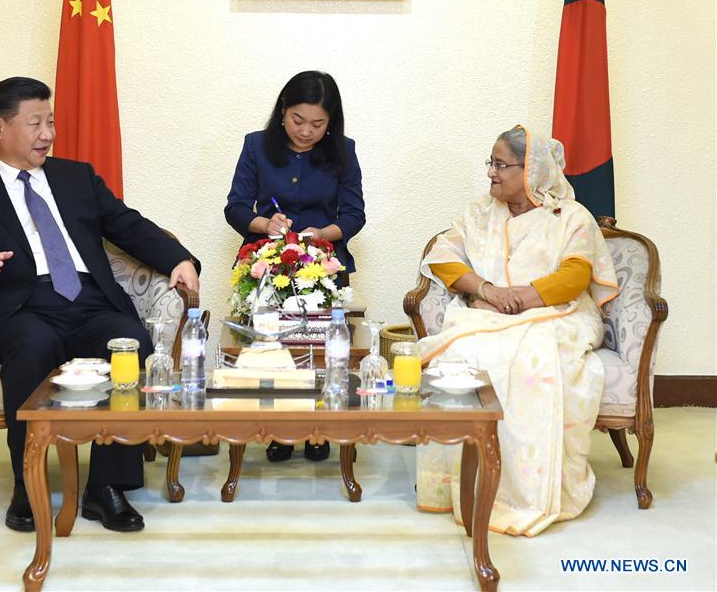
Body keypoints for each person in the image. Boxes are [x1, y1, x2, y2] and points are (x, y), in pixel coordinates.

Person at [0, 77, 200, 533]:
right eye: (36, 124)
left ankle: (105, 489)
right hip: (20, 308)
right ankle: (26, 484)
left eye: (51, 122)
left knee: (130, 346)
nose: (48, 134)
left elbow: (127, 225)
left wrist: (180, 259)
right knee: (31, 347)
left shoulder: (76, 177)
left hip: (88, 300)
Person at [414, 125, 618, 536]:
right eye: (491, 162)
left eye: (500, 165)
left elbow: (577, 274)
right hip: (489, 312)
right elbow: (443, 259)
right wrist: (487, 290)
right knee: (459, 358)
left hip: (557, 315)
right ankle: (456, 485)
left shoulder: (569, 217)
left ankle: (525, 490)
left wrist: (519, 300)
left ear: (531, 171)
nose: (491, 172)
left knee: (530, 362)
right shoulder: (479, 213)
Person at [224, 70, 365, 462]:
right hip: (266, 263)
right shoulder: (256, 146)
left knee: (321, 350)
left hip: (323, 261)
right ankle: (280, 428)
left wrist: (323, 234)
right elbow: (235, 206)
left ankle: (318, 428)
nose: (306, 131)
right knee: (274, 350)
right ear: (283, 111)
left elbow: (354, 214)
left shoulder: (344, 151)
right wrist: (265, 225)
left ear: (331, 122)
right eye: (298, 121)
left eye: (318, 124)